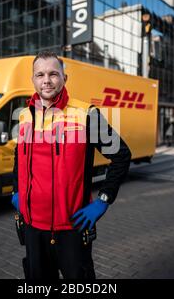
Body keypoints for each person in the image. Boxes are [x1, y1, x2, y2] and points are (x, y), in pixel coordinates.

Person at [11, 51, 132, 280]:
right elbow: (19, 157)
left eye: (53, 74)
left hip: (72, 230)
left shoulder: (86, 115)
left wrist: (104, 200)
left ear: (65, 78)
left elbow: (121, 155)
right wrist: (17, 190)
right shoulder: (25, 116)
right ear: (33, 80)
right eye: (40, 74)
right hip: (33, 229)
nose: (46, 80)